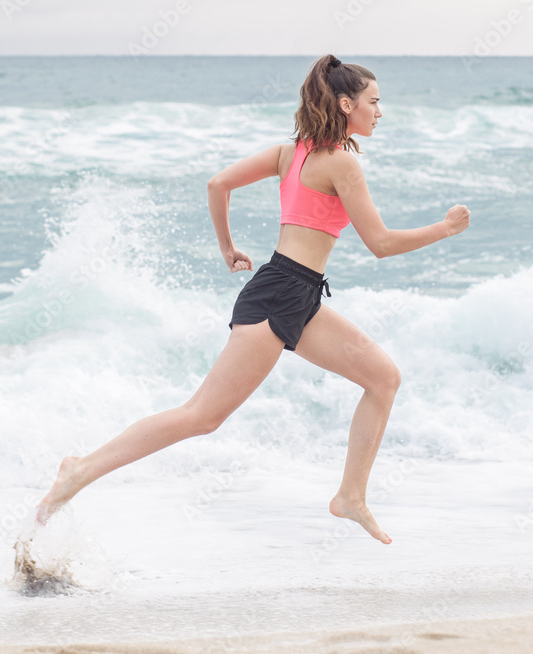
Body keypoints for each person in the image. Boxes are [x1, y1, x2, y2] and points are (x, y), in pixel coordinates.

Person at [36, 54, 470, 544]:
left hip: (294, 292)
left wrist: (227, 248)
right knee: (202, 416)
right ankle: (80, 469)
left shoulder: (292, 153)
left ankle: (350, 496)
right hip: (280, 294)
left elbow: (218, 183)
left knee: (383, 378)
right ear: (347, 104)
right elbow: (381, 244)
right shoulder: (342, 162)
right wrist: (445, 229)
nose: (380, 111)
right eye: (374, 101)